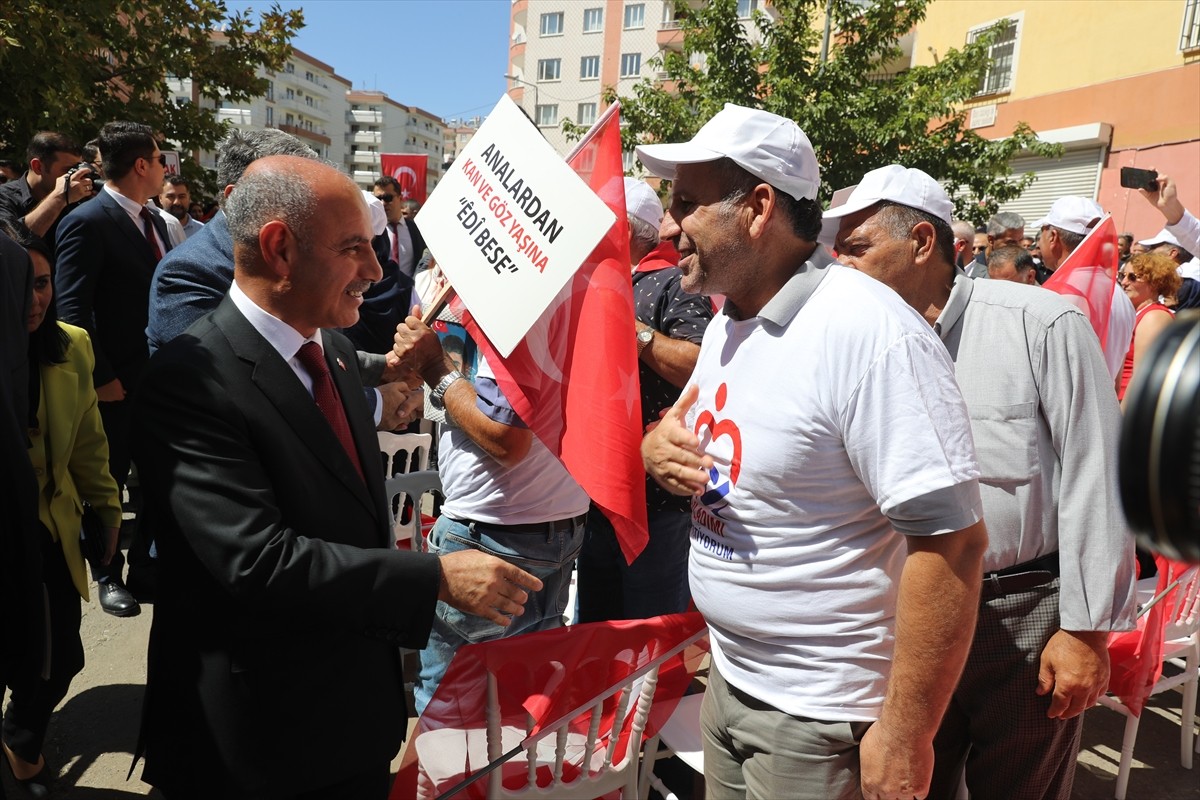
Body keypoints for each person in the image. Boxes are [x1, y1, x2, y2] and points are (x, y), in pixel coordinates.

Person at [131, 155, 541, 799]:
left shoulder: (335, 351)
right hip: (256, 743)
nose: (377, 272)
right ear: (279, 248)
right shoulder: (191, 380)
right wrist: (434, 577)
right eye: (354, 249)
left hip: (349, 722)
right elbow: (256, 562)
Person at [636, 104, 988, 800]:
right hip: (731, 681)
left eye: (687, 203)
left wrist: (907, 730)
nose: (671, 225)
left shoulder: (869, 332)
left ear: (758, 207)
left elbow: (951, 545)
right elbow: (680, 424)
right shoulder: (729, 323)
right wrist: (655, 444)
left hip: (818, 717)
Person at [825, 165, 1136, 800]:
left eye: (857, 248)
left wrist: (1085, 631)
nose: (841, 266)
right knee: (909, 783)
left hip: (1022, 614)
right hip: (906, 614)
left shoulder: (1040, 323)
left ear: (920, 242)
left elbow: (1096, 475)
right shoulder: (850, 339)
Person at [393, 318, 591, 714]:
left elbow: (505, 437)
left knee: (455, 705)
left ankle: (459, 780)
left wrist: (434, 365)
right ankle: (498, 778)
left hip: (491, 534)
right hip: (553, 523)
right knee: (521, 701)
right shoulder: (572, 297)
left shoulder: (519, 305)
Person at [2, 232, 123, 798]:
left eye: (44, 282)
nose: (34, 298)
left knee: (59, 656)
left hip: (51, 527)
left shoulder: (72, 343)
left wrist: (107, 508)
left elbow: (88, 442)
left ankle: (20, 738)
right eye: (21, 284)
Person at [577, 178, 712, 623]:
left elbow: (697, 361)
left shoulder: (673, 282)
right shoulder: (597, 282)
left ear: (628, 231)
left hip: (653, 500)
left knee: (645, 636)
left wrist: (630, 330)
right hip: (599, 491)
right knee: (595, 631)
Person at [55, 121, 171, 618]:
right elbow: (72, 308)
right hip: (113, 384)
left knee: (161, 479)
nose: (167, 168)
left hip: (160, 381)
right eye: (161, 158)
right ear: (141, 164)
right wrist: (99, 376)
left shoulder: (161, 223)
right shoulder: (87, 221)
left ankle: (146, 567)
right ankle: (106, 573)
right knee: (107, 481)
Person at [1033, 195, 1136, 383]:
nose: (1038, 243)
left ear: (1053, 237)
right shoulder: (1120, 295)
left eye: (1041, 233)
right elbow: (1116, 374)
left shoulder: (1059, 294)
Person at [0, 132, 95, 256]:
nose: (74, 176)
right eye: (68, 170)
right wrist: (59, 198)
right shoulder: (4, 197)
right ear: (38, 166)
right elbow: (13, 245)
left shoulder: (78, 198)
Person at [1117, 252, 1180, 403]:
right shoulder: (1135, 313)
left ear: (1155, 282)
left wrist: (1122, 421)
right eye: (1122, 275)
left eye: (1132, 277)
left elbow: (1142, 379)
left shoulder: (1154, 317)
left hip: (1127, 404)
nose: (1124, 282)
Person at [158, 175, 204, 239]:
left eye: (182, 196)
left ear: (189, 198)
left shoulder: (202, 231)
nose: (177, 202)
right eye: (171, 196)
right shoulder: (153, 230)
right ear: (160, 198)